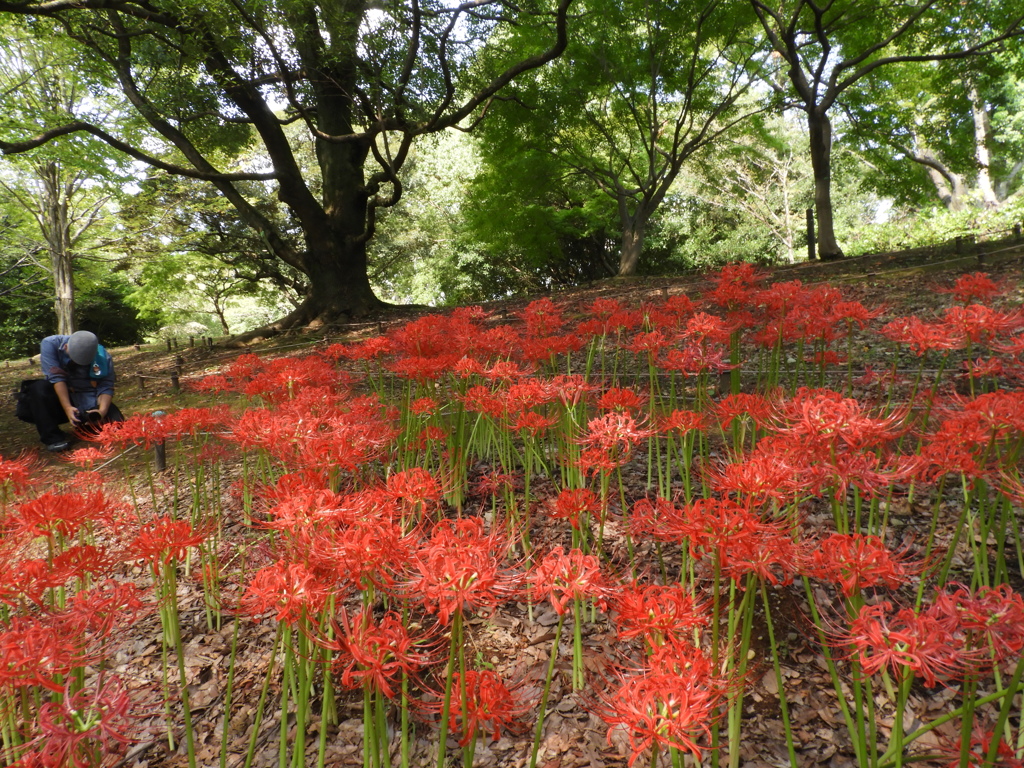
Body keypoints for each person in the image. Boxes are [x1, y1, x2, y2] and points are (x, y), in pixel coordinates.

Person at [18, 330, 124, 451]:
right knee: (38, 388)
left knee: (118, 426)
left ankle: (85, 427)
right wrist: (67, 407)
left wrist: (102, 412)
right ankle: (53, 438)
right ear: (66, 346)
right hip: (59, 399)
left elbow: (106, 385)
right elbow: (57, 378)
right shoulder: (50, 344)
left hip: (87, 399)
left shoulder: (103, 355)